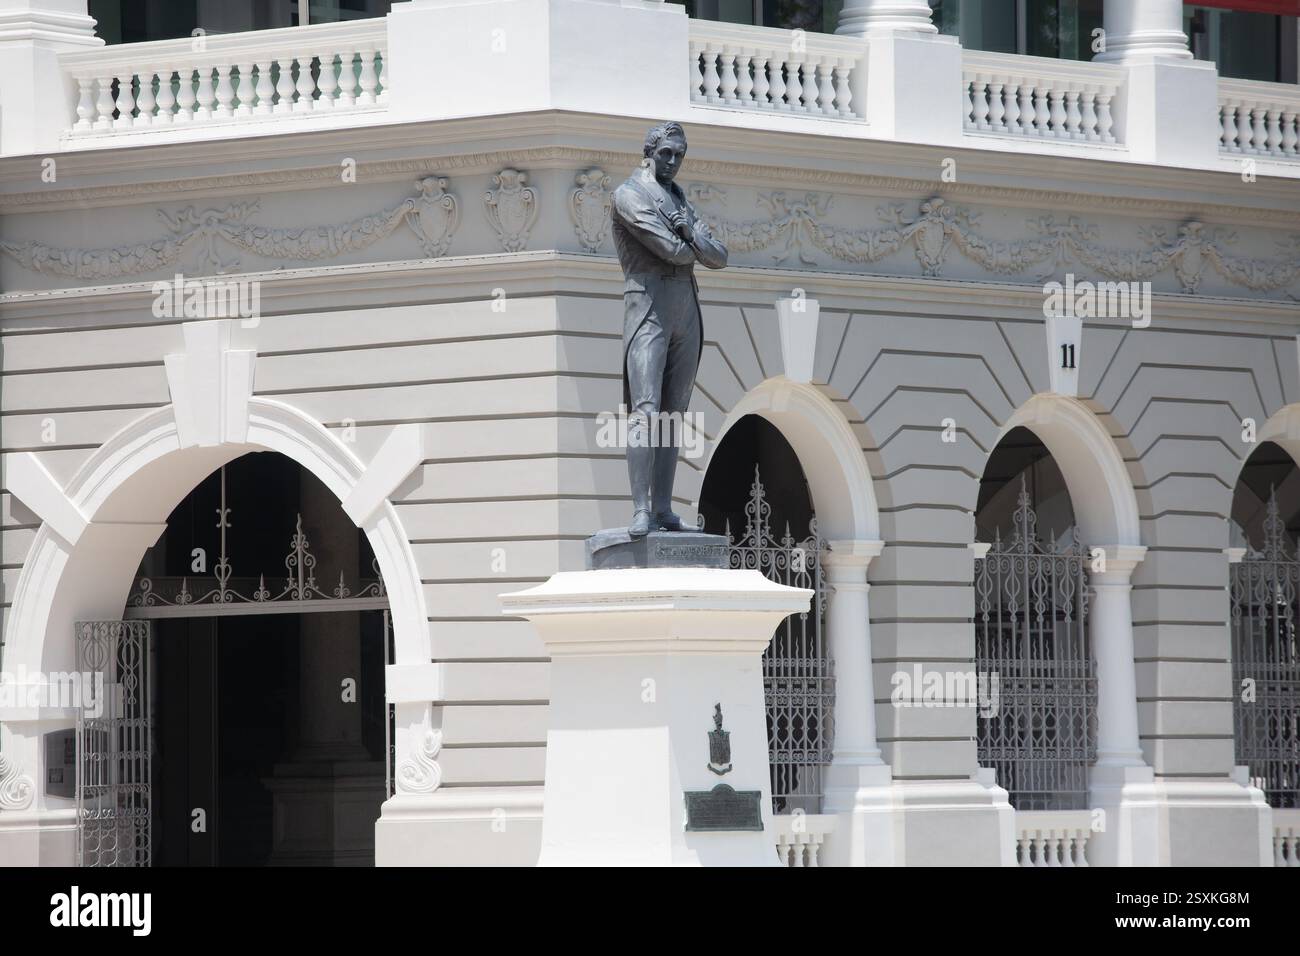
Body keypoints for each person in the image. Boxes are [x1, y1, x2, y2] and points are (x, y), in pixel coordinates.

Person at [610, 121, 728, 537]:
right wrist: (690, 238)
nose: (674, 161)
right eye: (666, 153)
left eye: (679, 154)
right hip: (648, 309)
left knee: (673, 416)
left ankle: (663, 509)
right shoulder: (629, 195)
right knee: (645, 411)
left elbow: (718, 256)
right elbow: (672, 250)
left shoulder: (681, 200)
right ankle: (641, 509)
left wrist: (690, 234)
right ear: (650, 152)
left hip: (685, 312)